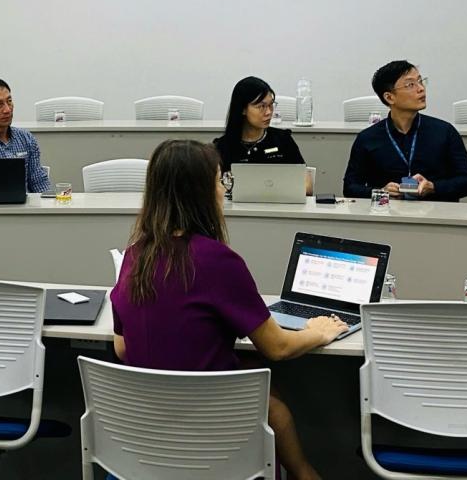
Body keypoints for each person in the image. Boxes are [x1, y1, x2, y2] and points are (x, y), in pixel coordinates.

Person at [111, 140, 346, 480]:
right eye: (220, 181)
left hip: (146, 435)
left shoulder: (135, 255)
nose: (223, 190)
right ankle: (304, 474)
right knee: (267, 394)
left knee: (263, 387)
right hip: (208, 433)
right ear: (201, 193)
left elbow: (121, 347)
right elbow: (277, 348)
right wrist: (318, 331)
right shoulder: (216, 261)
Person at [343, 60, 467, 201]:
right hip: (388, 215)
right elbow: (350, 188)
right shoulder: (368, 138)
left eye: (420, 81)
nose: (421, 89)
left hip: (437, 215)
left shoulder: (444, 132)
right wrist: (380, 192)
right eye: (410, 85)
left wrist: (433, 187)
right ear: (389, 97)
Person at [213, 76, 312, 195]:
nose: (269, 112)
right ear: (243, 109)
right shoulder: (222, 147)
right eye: (261, 106)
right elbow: (213, 189)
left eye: (271, 105)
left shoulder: (283, 140)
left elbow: (307, 184)